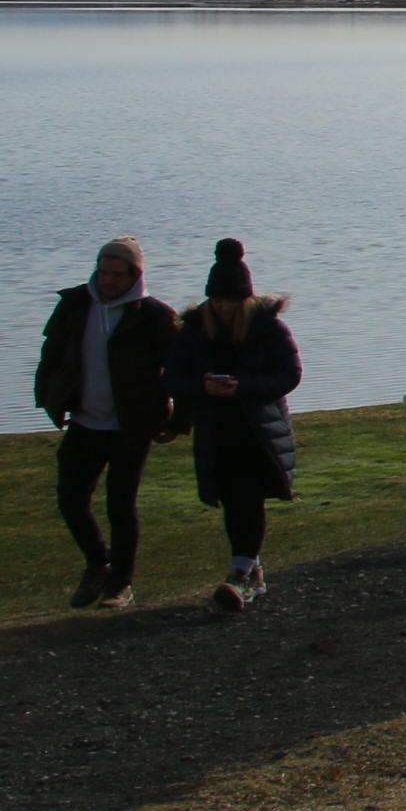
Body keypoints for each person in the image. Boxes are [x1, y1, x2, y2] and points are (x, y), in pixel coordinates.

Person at [35, 237, 179, 610]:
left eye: (117, 274)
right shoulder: (74, 305)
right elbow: (52, 354)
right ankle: (99, 563)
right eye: (103, 272)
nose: (108, 281)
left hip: (131, 427)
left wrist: (178, 420)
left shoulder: (155, 316)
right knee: (70, 500)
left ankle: (120, 584)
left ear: (135, 275)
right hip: (85, 422)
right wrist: (49, 398)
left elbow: (181, 370)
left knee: (120, 506)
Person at [168, 241, 303, 614]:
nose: (225, 308)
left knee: (249, 495)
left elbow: (290, 374)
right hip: (216, 430)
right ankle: (250, 570)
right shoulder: (193, 330)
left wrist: (243, 388)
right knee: (231, 498)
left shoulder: (268, 327)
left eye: (232, 300)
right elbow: (172, 379)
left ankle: (239, 574)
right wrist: (201, 387)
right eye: (218, 300)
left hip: (258, 430)